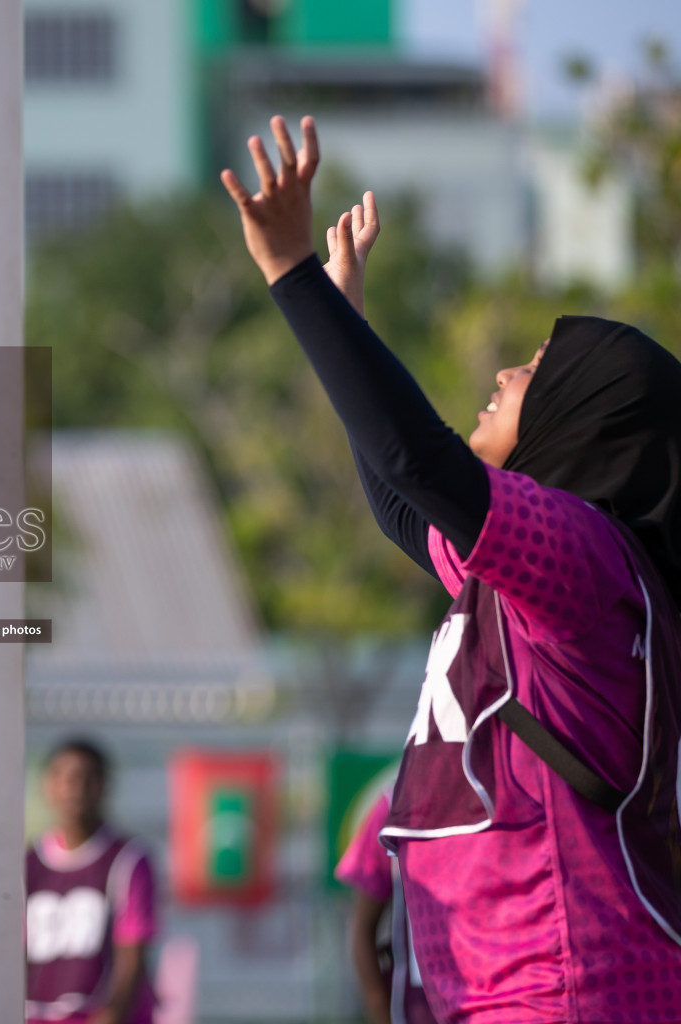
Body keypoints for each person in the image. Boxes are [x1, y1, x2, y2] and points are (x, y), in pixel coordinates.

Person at [222, 115, 681, 1022]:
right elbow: (405, 507)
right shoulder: (528, 577)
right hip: (503, 986)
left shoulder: (584, 562)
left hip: (565, 985)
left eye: (535, 370)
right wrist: (341, 319)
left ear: (576, 420)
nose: (505, 371)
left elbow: (419, 466)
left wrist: (292, 274)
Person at [25, 739, 155, 1024]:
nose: (76, 788)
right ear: (48, 786)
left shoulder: (128, 859)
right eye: (65, 777)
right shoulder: (26, 864)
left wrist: (111, 1015)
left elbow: (132, 958)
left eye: (87, 777)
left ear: (104, 786)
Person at [334, 787, 435, 1024]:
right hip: (419, 1009)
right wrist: (381, 1012)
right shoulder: (396, 806)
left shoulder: (518, 797)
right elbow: (362, 929)